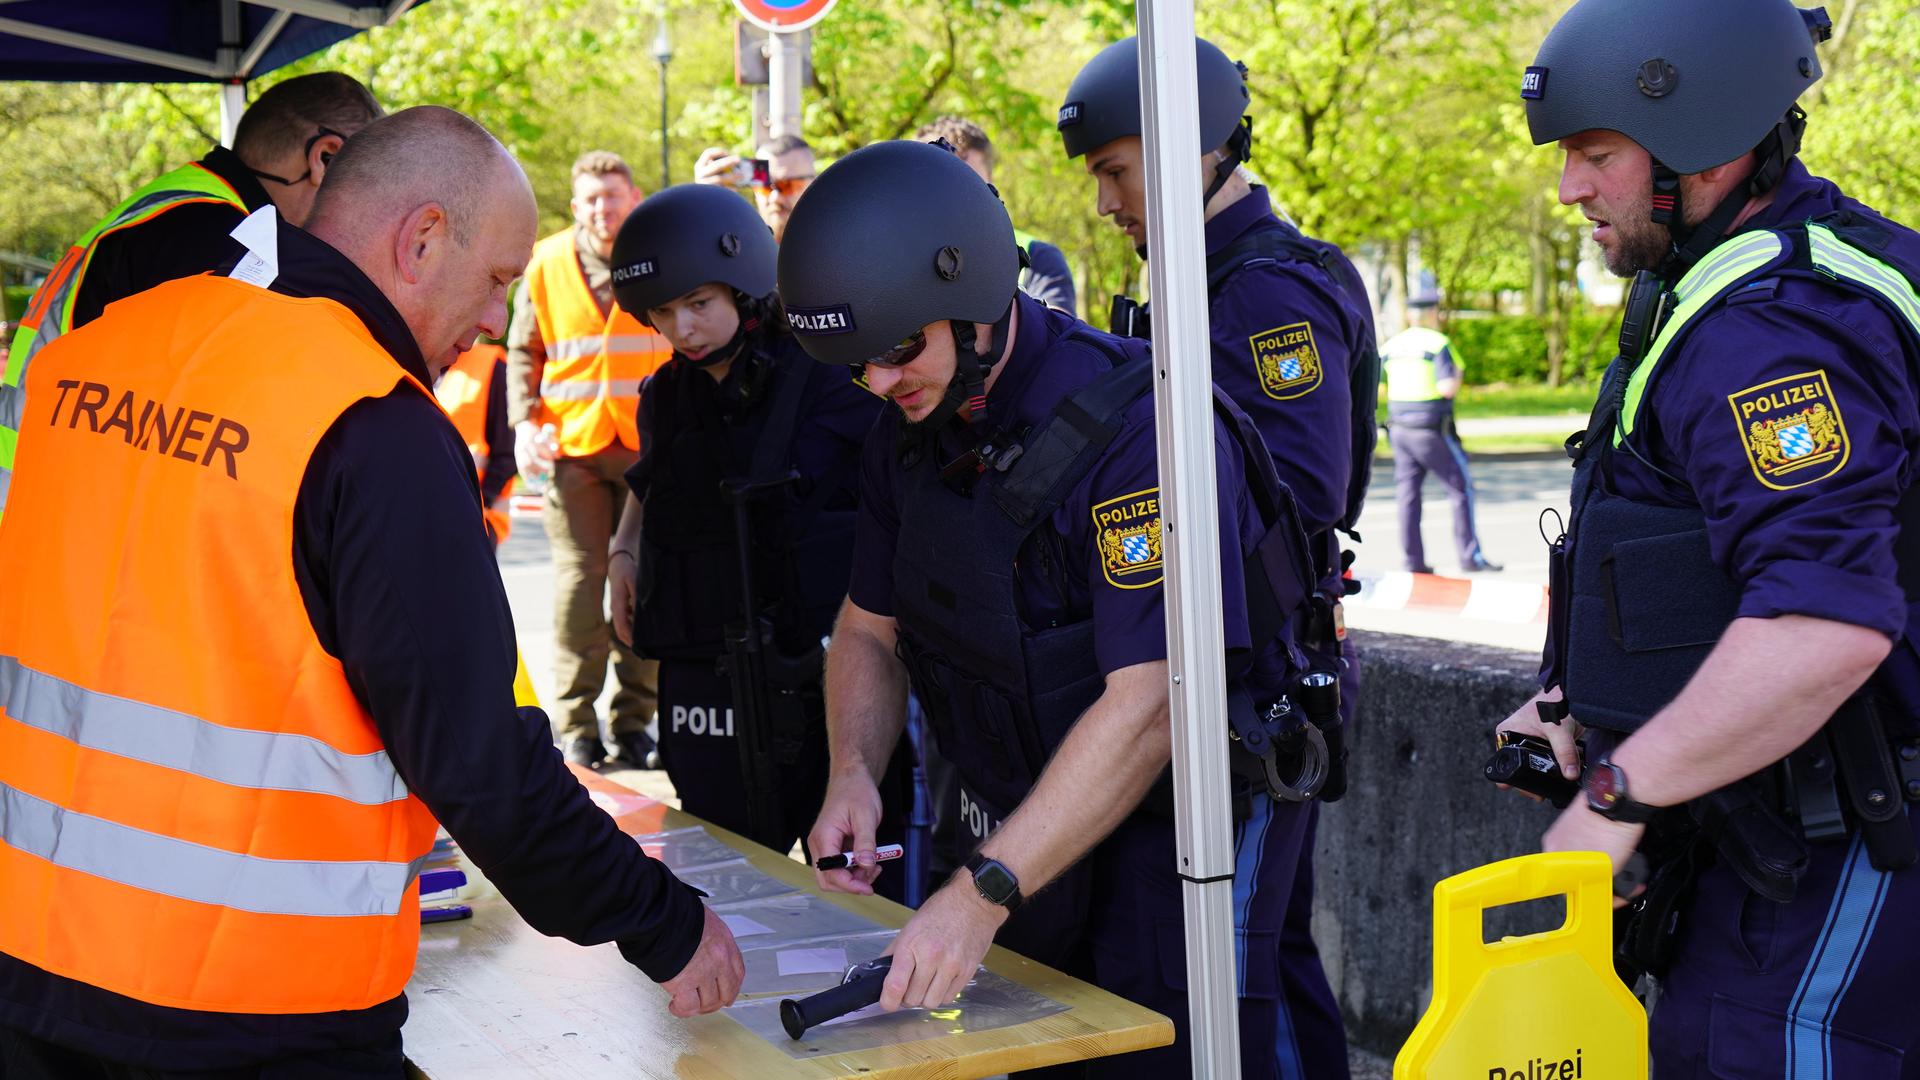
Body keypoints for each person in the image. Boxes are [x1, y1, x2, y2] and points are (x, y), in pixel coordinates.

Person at [0, 106, 741, 1079]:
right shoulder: (371, 425)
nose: (491, 327)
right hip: (248, 1009)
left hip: (32, 974)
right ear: (420, 238)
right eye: (496, 284)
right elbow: (485, 769)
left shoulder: (90, 353)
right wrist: (665, 923)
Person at [789, 139, 1328, 1079]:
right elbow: (868, 628)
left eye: (899, 350)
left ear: (975, 297)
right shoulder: (908, 428)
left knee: (1169, 1051)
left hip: (1177, 815)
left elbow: (1150, 701)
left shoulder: (1136, 433)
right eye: (857, 366)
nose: (880, 383)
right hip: (1030, 806)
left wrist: (980, 890)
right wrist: (852, 775)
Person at [1493, 2, 1920, 1074]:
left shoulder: (1772, 329)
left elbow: (1825, 622)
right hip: (1773, 833)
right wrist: (1579, 698)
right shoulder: (1728, 283)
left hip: (1839, 847)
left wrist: (1613, 801)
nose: (1570, 190)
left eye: (1596, 155)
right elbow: (1692, 559)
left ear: (1709, 142)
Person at [1059, 35, 1376, 1078]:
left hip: (1256, 683)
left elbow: (1302, 487)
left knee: (1232, 976)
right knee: (1265, 958)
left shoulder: (1261, 289)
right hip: (1229, 672)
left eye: (1114, 171)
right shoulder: (1202, 277)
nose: (1106, 204)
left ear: (1193, 146)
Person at [601, 184, 917, 888]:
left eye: (699, 303)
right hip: (709, 683)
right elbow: (654, 481)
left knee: (861, 886)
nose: (683, 328)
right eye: (663, 312)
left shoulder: (834, 374)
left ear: (745, 287)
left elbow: (902, 491)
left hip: (825, 677)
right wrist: (623, 551)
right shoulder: (667, 394)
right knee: (723, 882)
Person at [0, 72, 381, 523]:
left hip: (36, 496)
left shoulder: (182, 210)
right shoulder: (221, 239)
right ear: (325, 158)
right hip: (48, 509)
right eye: (370, 185)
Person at [506, 150, 668, 769]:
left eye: (613, 196)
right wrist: (525, 424)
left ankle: (633, 724)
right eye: (592, 199)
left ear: (633, 199)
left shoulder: (658, 254)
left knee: (642, 585)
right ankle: (576, 725)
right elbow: (524, 351)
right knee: (581, 584)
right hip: (573, 448)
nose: (603, 209)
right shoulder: (545, 261)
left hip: (646, 450)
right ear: (577, 207)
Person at [1381, 289, 1497, 574]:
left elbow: (1378, 383)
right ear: (1432, 314)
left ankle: (1413, 561)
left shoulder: (1391, 345)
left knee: (1408, 495)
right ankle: (1470, 557)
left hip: (1399, 429)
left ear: (1410, 315)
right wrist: (1458, 375)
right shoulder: (1438, 343)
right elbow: (1447, 387)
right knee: (1461, 489)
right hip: (1430, 429)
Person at [915, 115, 1078, 316]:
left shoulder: (1037, 258)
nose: (954, 200)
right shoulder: (889, 257)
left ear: (992, 185)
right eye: (938, 184)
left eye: (970, 185)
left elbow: (1058, 334)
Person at [435, 340, 517, 545]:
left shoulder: (490, 365)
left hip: (478, 520)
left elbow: (506, 453)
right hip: (427, 516)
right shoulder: (411, 365)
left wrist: (478, 504)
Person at [694, 133, 816, 243]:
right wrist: (707, 211)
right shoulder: (737, 246)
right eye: (765, 186)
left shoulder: (830, 245)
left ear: (813, 185)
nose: (775, 198)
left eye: (788, 185)